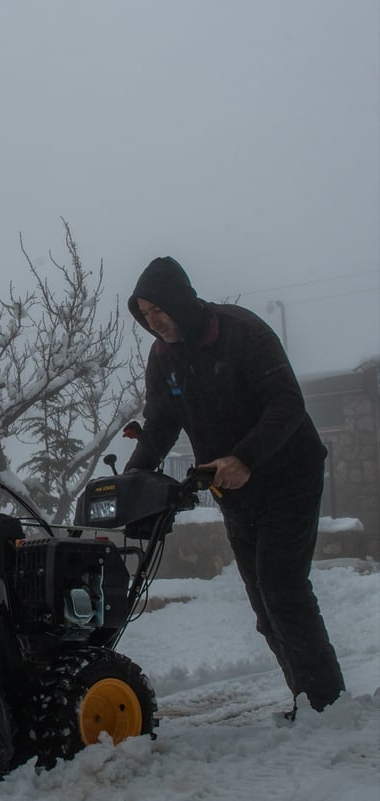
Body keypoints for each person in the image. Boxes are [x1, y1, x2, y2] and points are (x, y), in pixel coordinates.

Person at [124, 256, 345, 716]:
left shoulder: (242, 332)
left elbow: (287, 401)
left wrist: (245, 456)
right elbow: (161, 423)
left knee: (282, 586)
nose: (154, 322)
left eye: (158, 310)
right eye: (144, 315)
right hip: (232, 488)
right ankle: (307, 700)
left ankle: (328, 705)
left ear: (179, 301)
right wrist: (131, 481)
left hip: (289, 475)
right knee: (264, 603)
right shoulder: (163, 358)